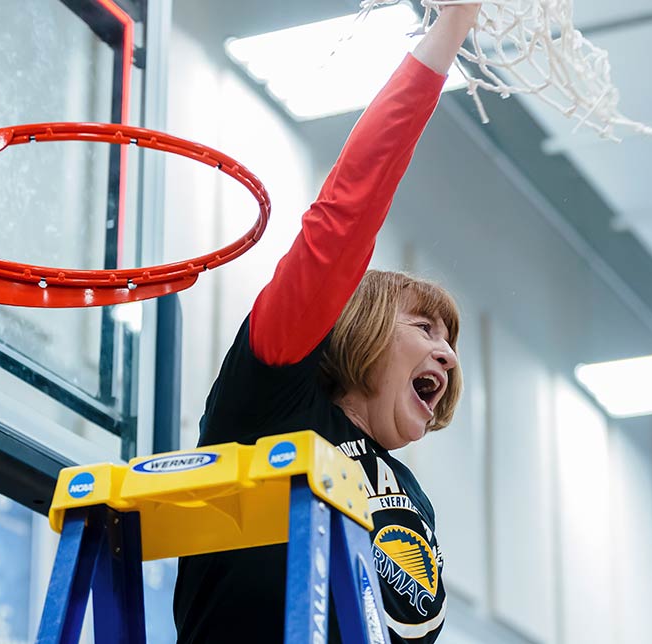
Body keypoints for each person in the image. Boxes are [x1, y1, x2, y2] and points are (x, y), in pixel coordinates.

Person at [173, 4, 480, 643]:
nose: (447, 355)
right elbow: (347, 216)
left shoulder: (413, 499)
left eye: (449, 341)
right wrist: (451, 29)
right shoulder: (277, 394)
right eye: (424, 328)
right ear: (359, 327)